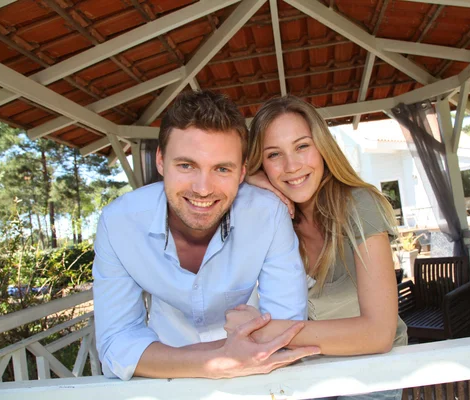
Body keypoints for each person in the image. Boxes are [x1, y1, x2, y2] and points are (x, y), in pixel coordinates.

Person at [92, 90, 320, 381]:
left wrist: (231, 359)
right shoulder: (119, 224)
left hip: (255, 381)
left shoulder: (268, 214)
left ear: (242, 173)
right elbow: (116, 341)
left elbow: (286, 326)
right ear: (161, 161)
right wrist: (217, 361)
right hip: (164, 383)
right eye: (186, 165)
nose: (202, 188)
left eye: (222, 169)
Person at [225, 95, 408, 399]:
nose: (291, 166)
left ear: (322, 146)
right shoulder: (274, 219)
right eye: (273, 155)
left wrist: (267, 330)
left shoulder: (359, 205)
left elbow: (379, 334)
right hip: (307, 375)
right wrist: (249, 184)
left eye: (302, 146)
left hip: (372, 377)